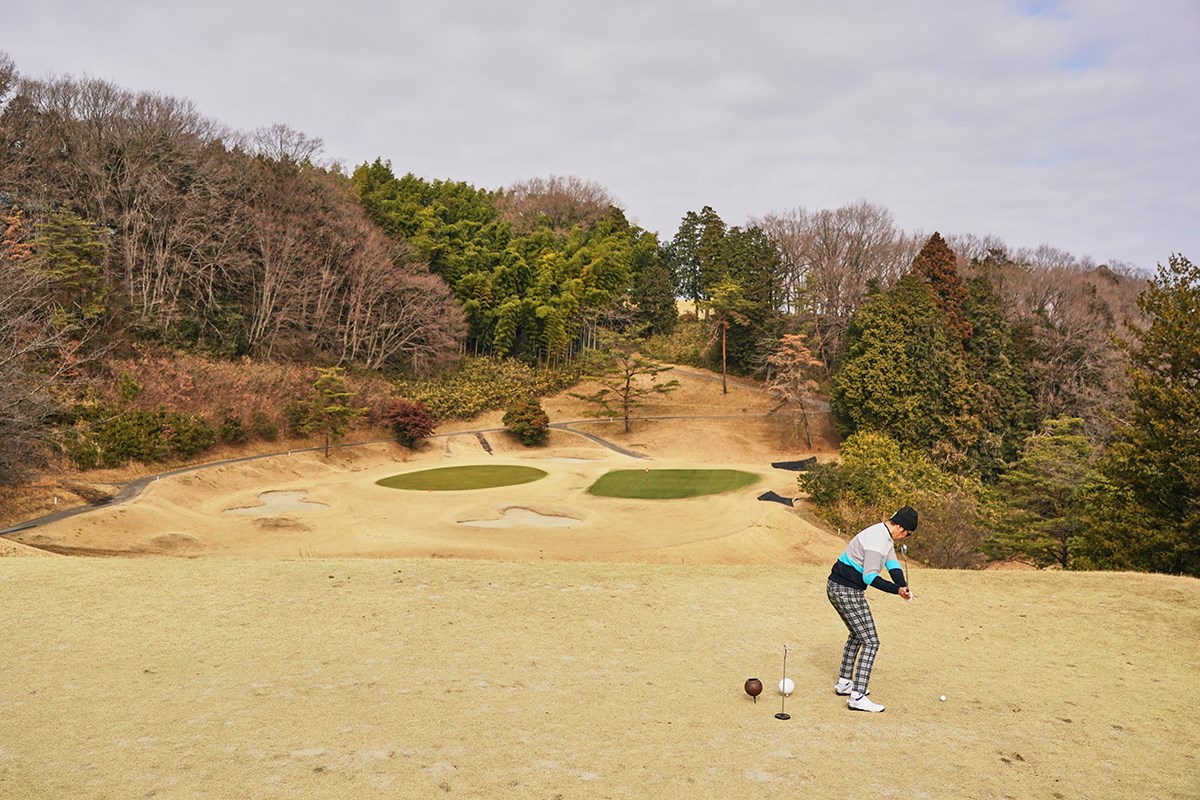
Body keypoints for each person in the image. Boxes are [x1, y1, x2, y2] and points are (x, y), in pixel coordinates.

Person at [826, 506, 917, 712]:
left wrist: (902, 586)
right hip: (845, 590)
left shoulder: (884, 535)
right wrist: (896, 591)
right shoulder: (877, 540)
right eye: (908, 534)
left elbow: (892, 565)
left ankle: (845, 683)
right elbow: (869, 577)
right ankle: (857, 697)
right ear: (901, 528)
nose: (906, 537)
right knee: (871, 641)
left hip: (838, 586)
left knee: (858, 635)